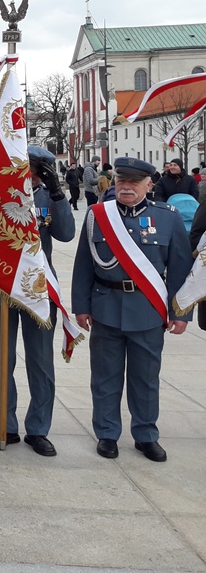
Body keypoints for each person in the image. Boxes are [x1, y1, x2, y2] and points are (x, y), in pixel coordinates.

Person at [73, 156, 193, 462]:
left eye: (134, 182)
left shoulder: (168, 217)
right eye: (121, 181)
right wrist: (81, 307)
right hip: (106, 307)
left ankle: (145, 434)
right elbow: (84, 266)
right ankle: (107, 433)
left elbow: (180, 269)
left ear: (148, 185)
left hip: (148, 310)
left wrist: (180, 313)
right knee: (105, 377)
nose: (126, 187)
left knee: (146, 378)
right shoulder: (98, 215)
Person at [0, 147, 74, 456]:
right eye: (21, 165)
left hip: (37, 288)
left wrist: (58, 193)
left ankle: (39, 429)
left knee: (41, 361)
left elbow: (67, 233)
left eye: (33, 167)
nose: (26, 172)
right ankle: (3, 424)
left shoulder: (46, 196)